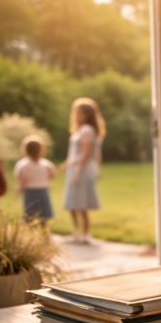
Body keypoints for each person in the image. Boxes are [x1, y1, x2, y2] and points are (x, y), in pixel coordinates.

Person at [60, 97, 104, 244]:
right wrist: (67, 164)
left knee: (81, 203)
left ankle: (85, 234)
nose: (77, 115)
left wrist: (76, 172)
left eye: (80, 113)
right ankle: (76, 232)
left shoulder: (87, 130)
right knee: (72, 203)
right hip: (75, 169)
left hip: (81, 170)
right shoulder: (81, 130)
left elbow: (86, 155)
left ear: (88, 114)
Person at [14, 135, 57, 224]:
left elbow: (21, 181)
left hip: (29, 191)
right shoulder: (46, 164)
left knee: (29, 214)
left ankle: (30, 233)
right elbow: (53, 175)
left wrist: (19, 190)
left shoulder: (22, 164)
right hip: (43, 190)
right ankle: (44, 233)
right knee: (44, 214)